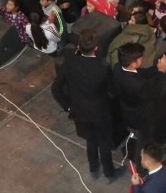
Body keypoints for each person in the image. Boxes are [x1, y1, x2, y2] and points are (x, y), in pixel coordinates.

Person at [51, 29, 119, 182]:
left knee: (90, 139)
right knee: (104, 141)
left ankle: (93, 167)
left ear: (78, 47)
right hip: (100, 111)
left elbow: (56, 89)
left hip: (80, 110)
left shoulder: (69, 62)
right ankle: (108, 172)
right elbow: (112, 91)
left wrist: (68, 106)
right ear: (96, 47)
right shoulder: (102, 66)